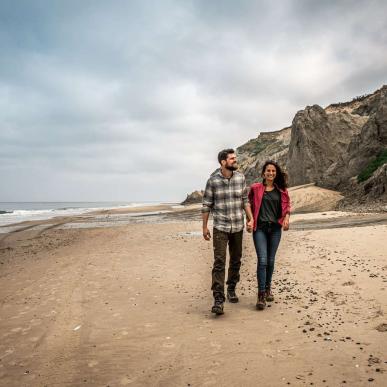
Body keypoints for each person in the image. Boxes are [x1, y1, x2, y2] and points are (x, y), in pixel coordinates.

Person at [202, 149, 254, 315]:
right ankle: (218, 299)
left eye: (235, 158)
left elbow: (245, 200)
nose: (235, 160)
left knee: (236, 259)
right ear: (223, 162)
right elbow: (206, 205)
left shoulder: (240, 178)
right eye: (232, 158)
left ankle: (231, 287)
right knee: (219, 262)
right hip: (220, 228)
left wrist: (250, 218)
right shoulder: (213, 181)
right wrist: (204, 227)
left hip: (238, 226)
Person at [248, 160, 291, 310]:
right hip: (259, 228)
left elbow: (287, 207)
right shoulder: (255, 188)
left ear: (276, 173)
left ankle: (267, 288)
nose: (271, 173)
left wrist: (286, 219)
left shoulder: (282, 191)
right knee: (263, 260)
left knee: (271, 261)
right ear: (263, 173)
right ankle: (261, 295)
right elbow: (247, 204)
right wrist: (250, 220)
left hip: (275, 230)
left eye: (273, 171)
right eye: (268, 171)